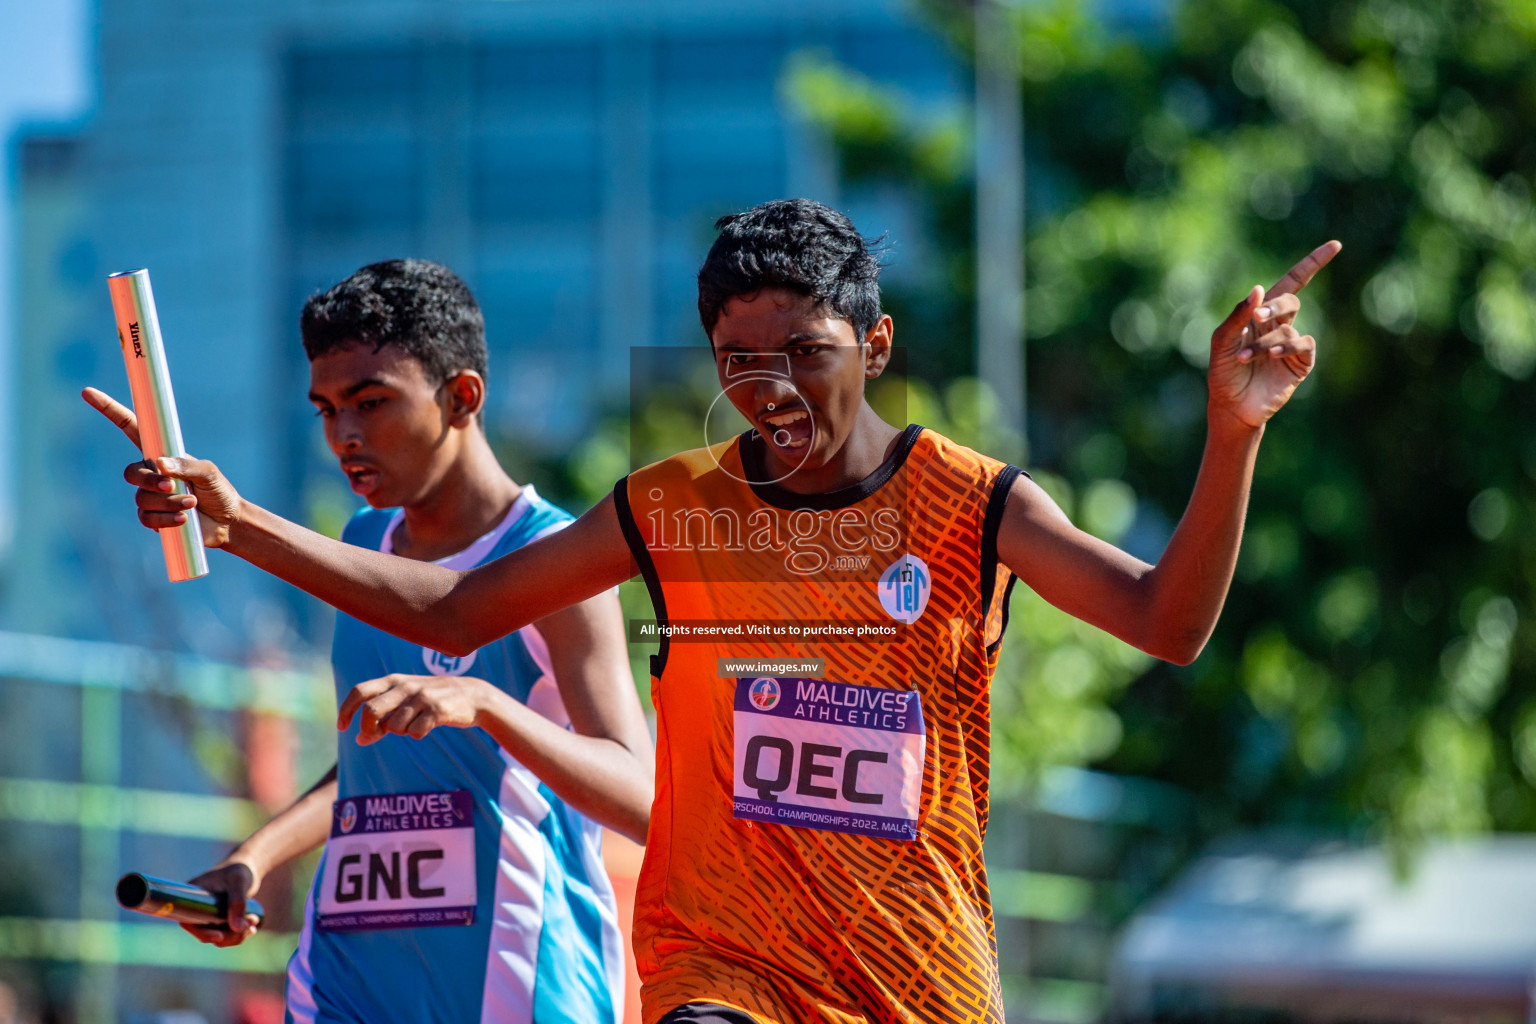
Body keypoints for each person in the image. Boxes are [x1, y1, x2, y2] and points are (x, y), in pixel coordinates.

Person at [88, 201, 1337, 1024]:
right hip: (718, 961)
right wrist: (240, 520)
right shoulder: (673, 504)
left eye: (807, 350)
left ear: (878, 345)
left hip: (913, 965)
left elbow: (1170, 623)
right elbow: (459, 608)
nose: (772, 385)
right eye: (741, 359)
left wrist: (1231, 434)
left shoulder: (975, 502)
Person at [89, 259, 653, 1024]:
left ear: (462, 397)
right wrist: (254, 859)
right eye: (325, 409)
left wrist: (488, 705)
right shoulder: (364, 540)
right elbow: (370, 755)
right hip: (348, 973)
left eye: (371, 402)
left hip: (514, 978)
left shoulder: (553, 562)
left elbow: (645, 799)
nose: (344, 436)